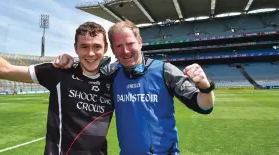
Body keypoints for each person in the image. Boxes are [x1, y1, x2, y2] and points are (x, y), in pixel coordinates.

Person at [0, 15, 115, 155]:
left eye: (97, 47)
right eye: (84, 46)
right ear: (75, 48)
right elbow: (4, 70)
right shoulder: (59, 72)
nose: (91, 53)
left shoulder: (114, 81)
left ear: (106, 48)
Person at [54, 20, 215, 155]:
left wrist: (205, 87)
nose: (125, 51)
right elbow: (88, 70)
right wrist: (70, 61)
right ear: (112, 49)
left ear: (140, 42)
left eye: (130, 43)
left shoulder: (165, 71)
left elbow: (203, 106)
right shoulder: (111, 73)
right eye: (118, 46)